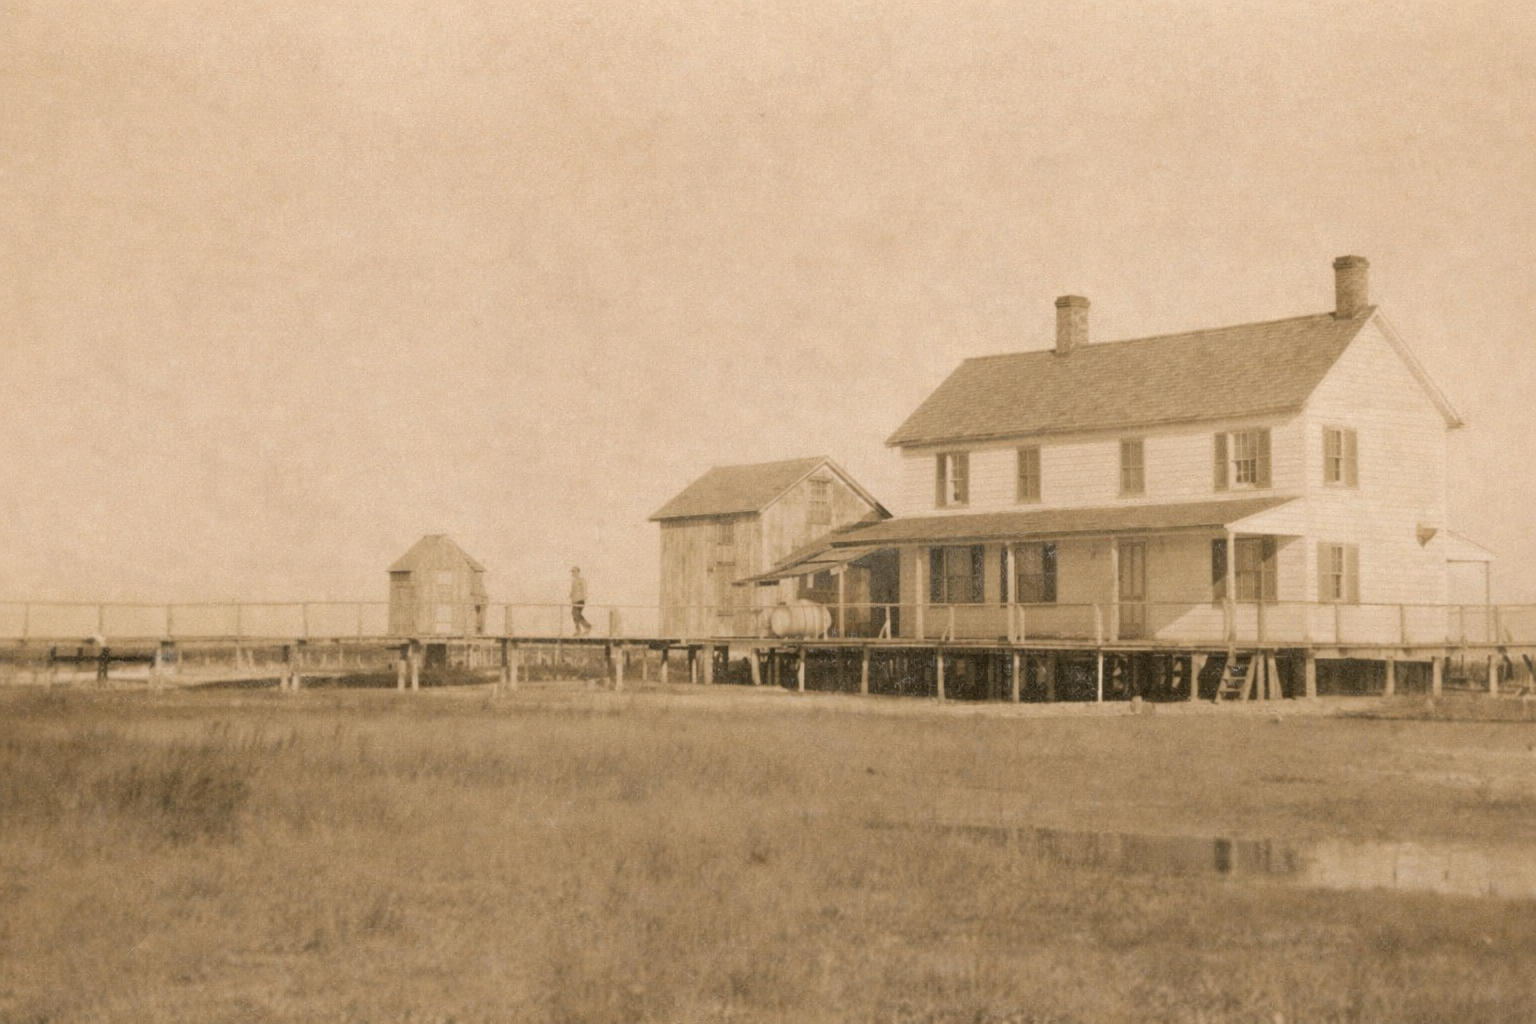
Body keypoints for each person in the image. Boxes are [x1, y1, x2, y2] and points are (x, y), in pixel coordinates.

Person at [569, 566, 591, 636]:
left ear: (578, 572)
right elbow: (574, 591)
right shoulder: (574, 581)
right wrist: (571, 595)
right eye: (572, 571)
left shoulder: (582, 580)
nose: (572, 573)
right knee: (574, 614)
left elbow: (584, 590)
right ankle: (580, 629)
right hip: (575, 601)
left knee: (576, 614)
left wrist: (583, 598)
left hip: (580, 600)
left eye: (574, 571)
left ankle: (586, 627)